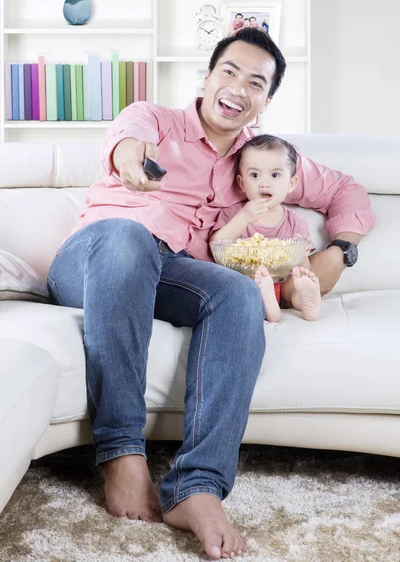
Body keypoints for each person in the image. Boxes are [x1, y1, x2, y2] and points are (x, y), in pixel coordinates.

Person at [47, 27, 375, 560]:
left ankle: (196, 486)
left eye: (255, 82)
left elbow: (345, 188)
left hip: (172, 271)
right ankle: (121, 453)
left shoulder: (263, 159)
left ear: (265, 101)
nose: (238, 87)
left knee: (236, 292)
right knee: (128, 236)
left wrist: (340, 248)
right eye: (229, 71)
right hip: (95, 258)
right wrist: (132, 160)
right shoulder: (157, 120)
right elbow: (127, 141)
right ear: (207, 77)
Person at [210, 134, 321, 323]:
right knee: (239, 286)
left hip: (282, 285)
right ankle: (269, 306)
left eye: (275, 175)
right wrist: (243, 218)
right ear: (241, 182)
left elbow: (303, 267)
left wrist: (301, 254)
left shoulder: (296, 223)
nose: (264, 182)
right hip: (246, 282)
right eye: (254, 175)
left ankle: (307, 301)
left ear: (291, 184)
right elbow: (216, 246)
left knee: (295, 285)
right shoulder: (234, 214)